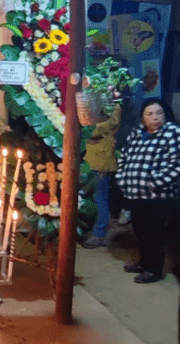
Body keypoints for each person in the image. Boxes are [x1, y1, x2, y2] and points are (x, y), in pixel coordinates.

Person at [116, 98, 180, 284]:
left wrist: (155, 181)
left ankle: (154, 270)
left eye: (159, 113)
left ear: (165, 114)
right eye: (150, 114)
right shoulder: (137, 134)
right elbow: (124, 157)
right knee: (141, 229)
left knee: (155, 232)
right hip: (135, 193)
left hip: (158, 194)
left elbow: (176, 163)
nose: (155, 117)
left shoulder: (173, 133)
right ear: (143, 117)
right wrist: (122, 178)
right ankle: (144, 263)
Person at [82, 104, 121, 249]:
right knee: (93, 197)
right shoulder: (92, 99)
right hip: (88, 157)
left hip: (101, 159)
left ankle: (99, 234)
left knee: (100, 198)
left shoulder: (114, 104)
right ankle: (94, 230)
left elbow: (106, 126)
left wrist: (84, 128)